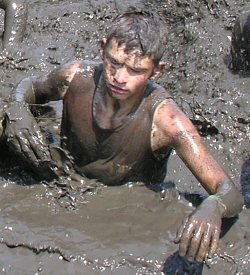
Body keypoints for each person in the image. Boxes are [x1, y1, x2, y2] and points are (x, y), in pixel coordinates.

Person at [0, 7, 244, 263]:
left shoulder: (168, 122)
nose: (119, 77)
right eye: (113, 62)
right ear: (102, 48)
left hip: (122, 209)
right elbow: (31, 86)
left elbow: (229, 191)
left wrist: (214, 206)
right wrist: (17, 107)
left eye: (136, 70)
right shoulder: (75, 77)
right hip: (64, 179)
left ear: (156, 71)